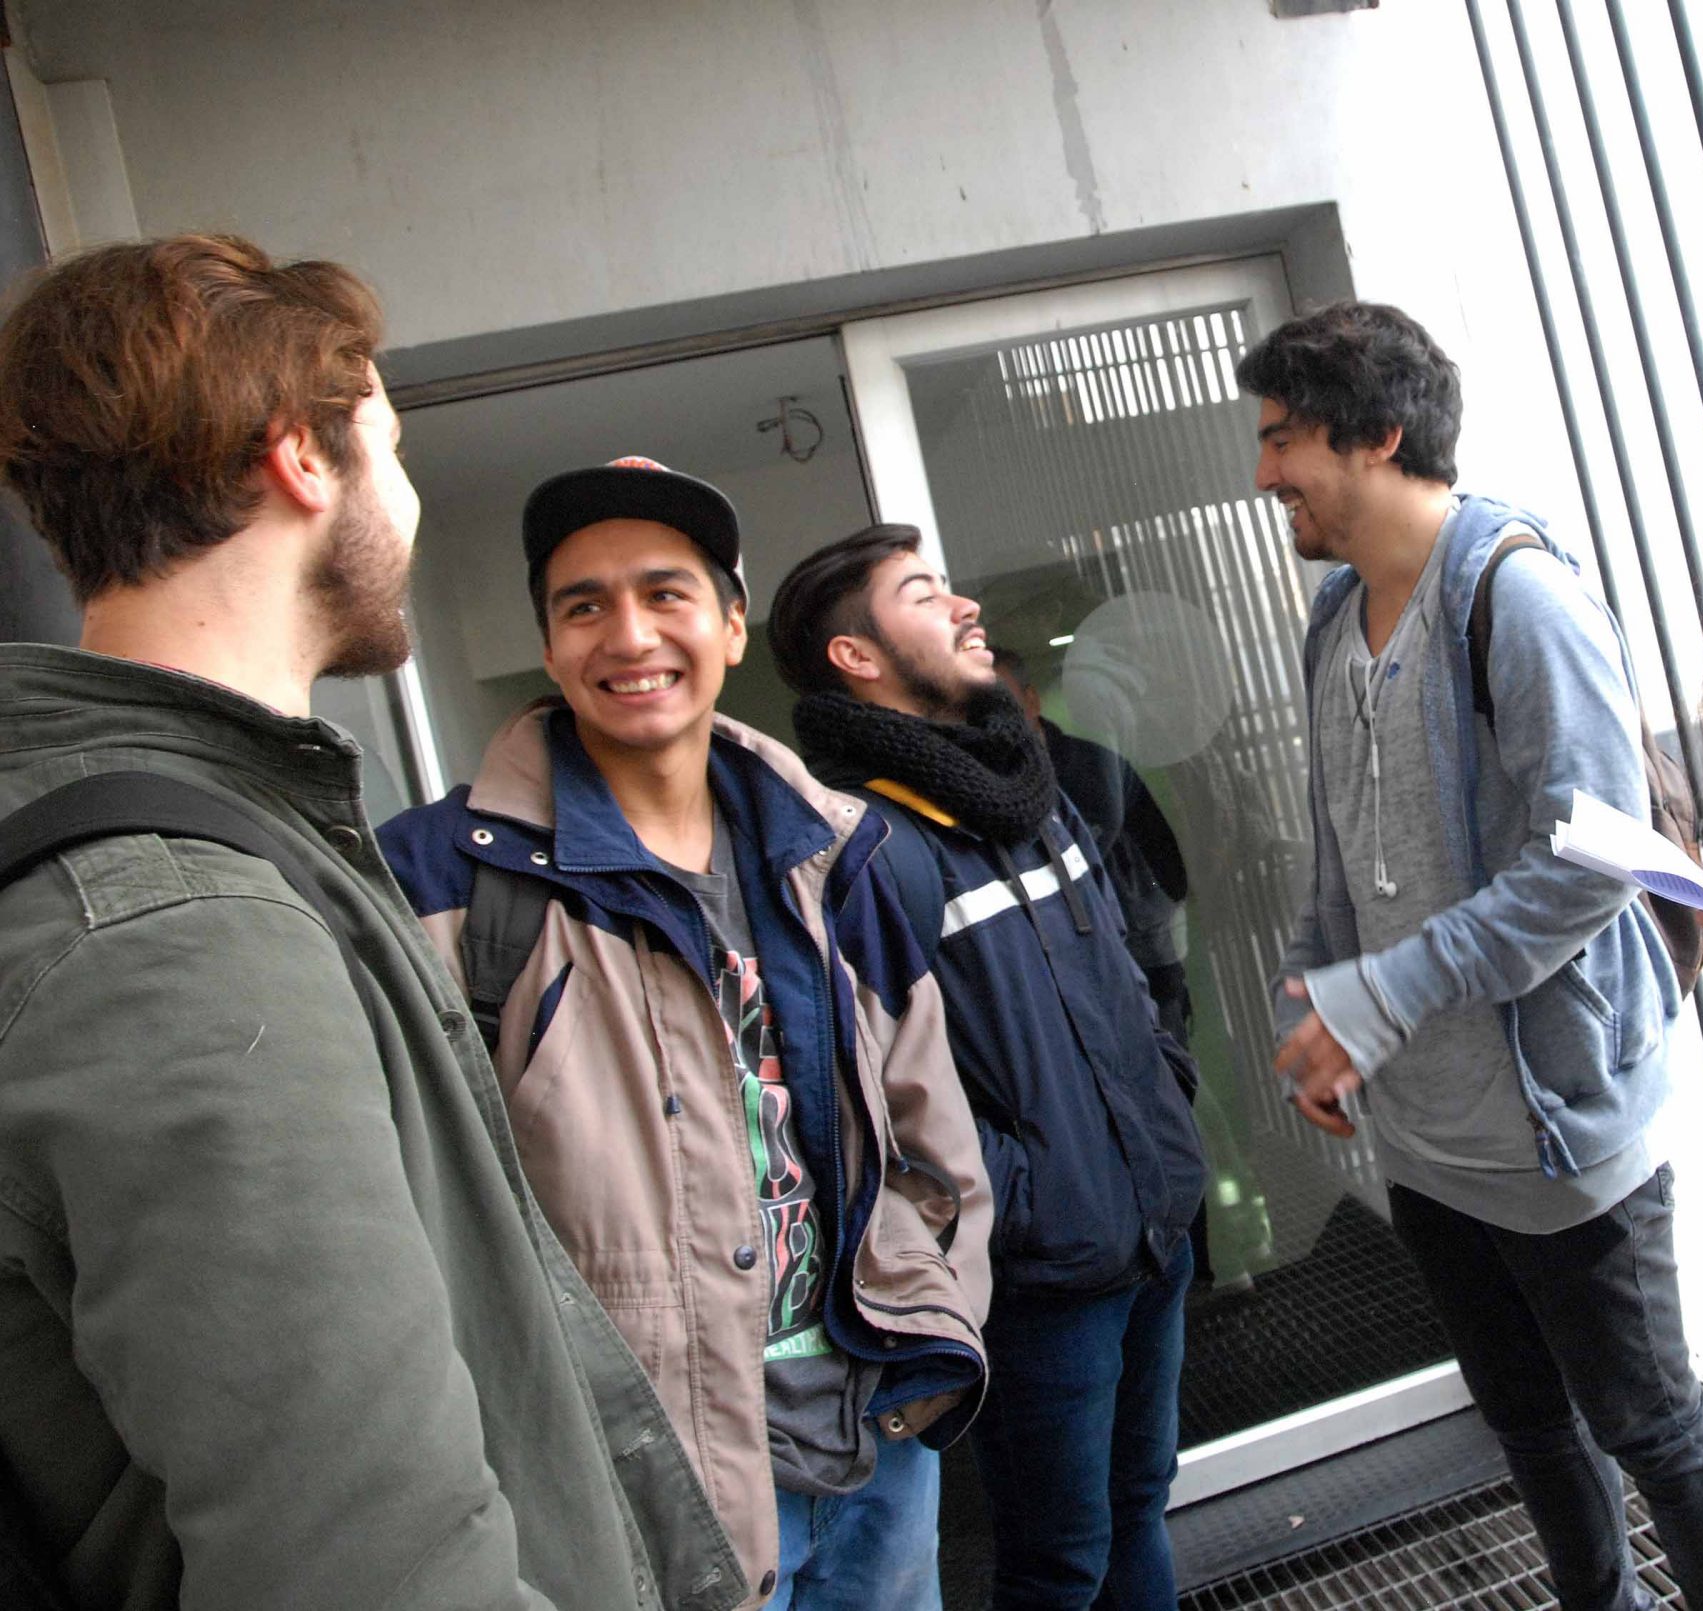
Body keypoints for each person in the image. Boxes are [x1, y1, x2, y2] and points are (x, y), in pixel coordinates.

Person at [0, 238, 743, 1609]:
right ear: (300, 456)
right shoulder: (182, 934)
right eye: (389, 449)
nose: (405, 499)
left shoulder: (216, 846)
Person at [379, 460, 990, 1610]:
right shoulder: (438, 881)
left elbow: (931, 1128)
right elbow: (413, 1209)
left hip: (876, 1432)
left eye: (665, 593)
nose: (629, 635)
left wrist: (932, 1316)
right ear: (549, 647)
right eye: (584, 605)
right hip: (647, 1481)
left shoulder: (835, 852)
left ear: (729, 622)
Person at [1243, 300, 1703, 1611]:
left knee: (1654, 1427)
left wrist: (1381, 997)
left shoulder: (1516, 595)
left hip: (1556, 1133)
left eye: (1283, 437)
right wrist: (1318, 993)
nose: (1262, 473)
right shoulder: (1332, 618)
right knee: (1529, 1425)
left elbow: (1591, 863)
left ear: (1378, 434)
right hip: (1426, 1142)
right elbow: (1336, 844)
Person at [766, 524, 1205, 1610]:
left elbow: (1124, 976)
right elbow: (870, 1095)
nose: (965, 606)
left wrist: (1164, 1106)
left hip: (1150, 1227)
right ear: (856, 656)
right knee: (1060, 1562)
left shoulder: (1030, 791)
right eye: (924, 594)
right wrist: (1019, 1200)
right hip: (1040, 1275)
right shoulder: (858, 846)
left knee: (1140, 1505)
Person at [988, 645, 1192, 1041]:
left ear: (1031, 701)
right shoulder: (991, 790)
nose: (993, 721)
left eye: (1002, 702)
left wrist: (1154, 933)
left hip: (1142, 959)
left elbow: (1161, 860)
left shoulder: (1092, 768)